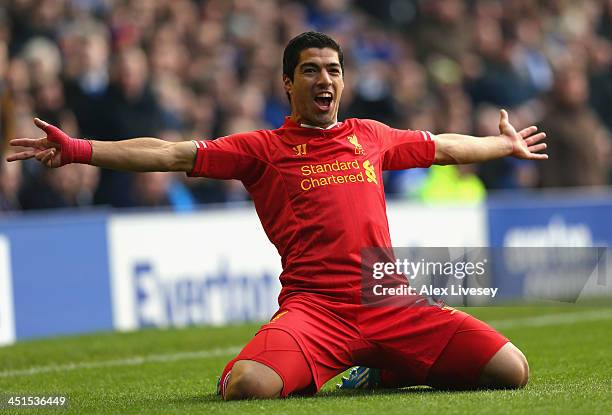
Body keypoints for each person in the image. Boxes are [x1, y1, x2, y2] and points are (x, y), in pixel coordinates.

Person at [6, 32, 547, 400]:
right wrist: (78, 150)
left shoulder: (371, 136)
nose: (324, 80)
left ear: (343, 81)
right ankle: (366, 363)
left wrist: (502, 146)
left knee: (511, 371)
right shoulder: (263, 148)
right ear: (288, 84)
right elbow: (170, 154)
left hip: (391, 303)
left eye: (333, 70)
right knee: (248, 386)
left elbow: (445, 147)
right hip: (317, 313)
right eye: (310, 71)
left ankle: (384, 366)